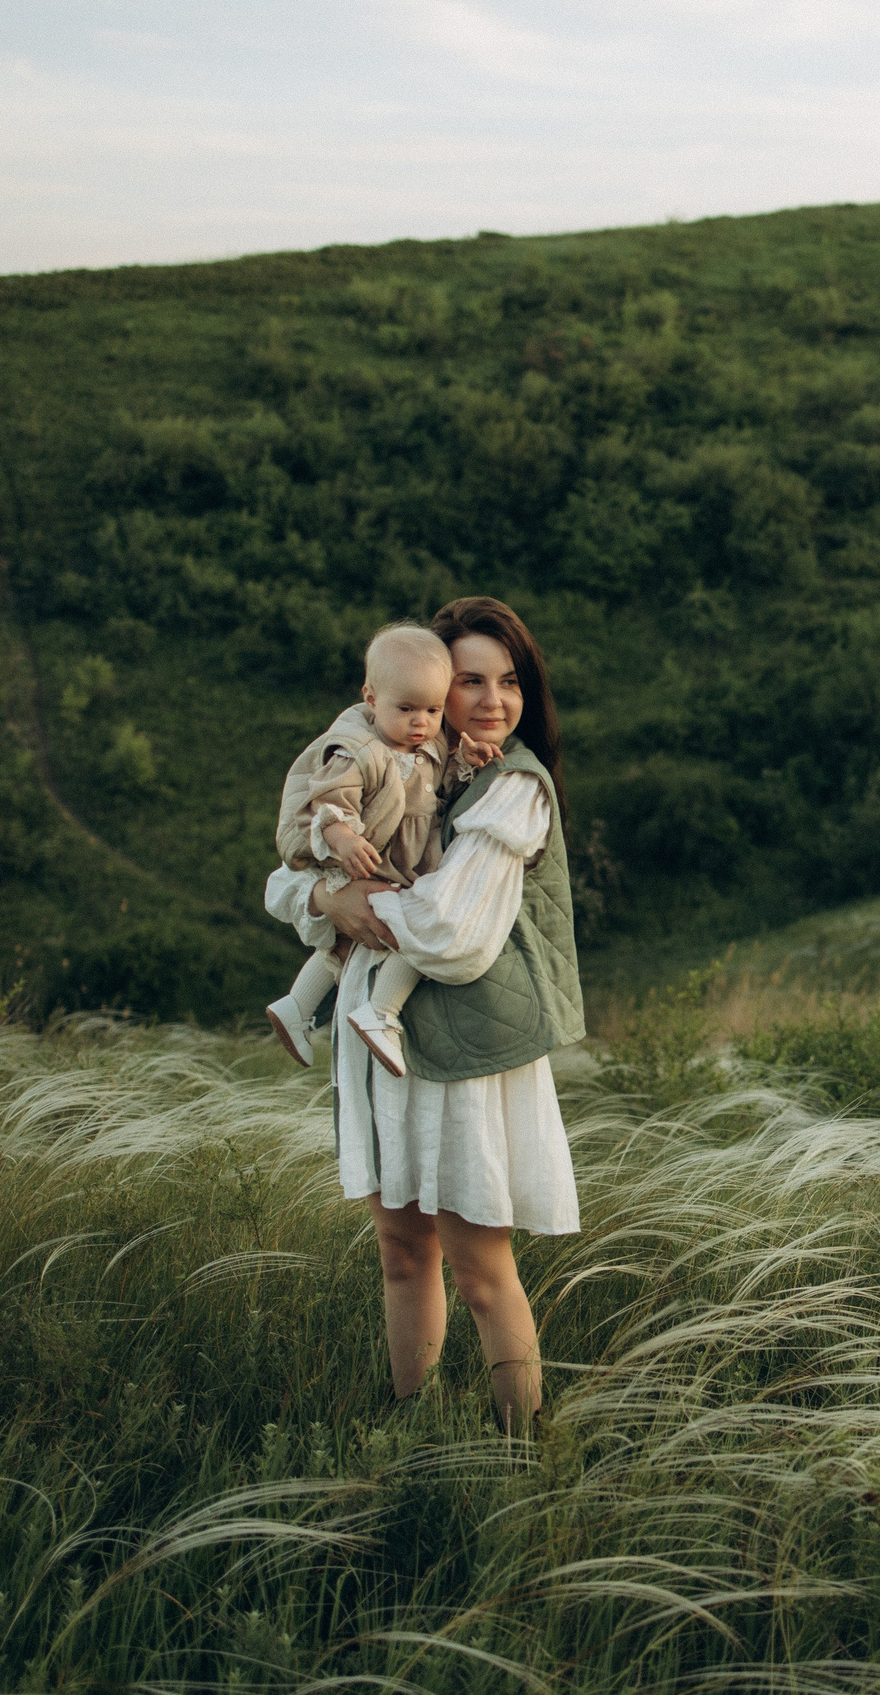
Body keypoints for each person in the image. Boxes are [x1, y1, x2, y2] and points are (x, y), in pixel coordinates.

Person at [264, 596, 582, 1435]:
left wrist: (346, 904)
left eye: (509, 681)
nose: (491, 700)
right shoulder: (401, 756)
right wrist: (326, 895)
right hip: (383, 1045)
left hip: (466, 1055)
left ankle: (524, 1453)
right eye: (470, 681)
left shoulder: (516, 786)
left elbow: (453, 933)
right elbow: (281, 884)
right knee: (403, 1254)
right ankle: (412, 1438)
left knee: (482, 1271)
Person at [262, 622, 496, 1076]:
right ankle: (381, 1012)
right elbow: (328, 802)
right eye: (406, 708)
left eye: (432, 709)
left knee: (348, 943)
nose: (420, 722)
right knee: (414, 930)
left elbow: (438, 790)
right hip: (366, 858)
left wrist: (464, 763)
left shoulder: (430, 744)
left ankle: (297, 1006)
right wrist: (344, 839)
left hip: (402, 860)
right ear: (371, 699)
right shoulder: (358, 751)